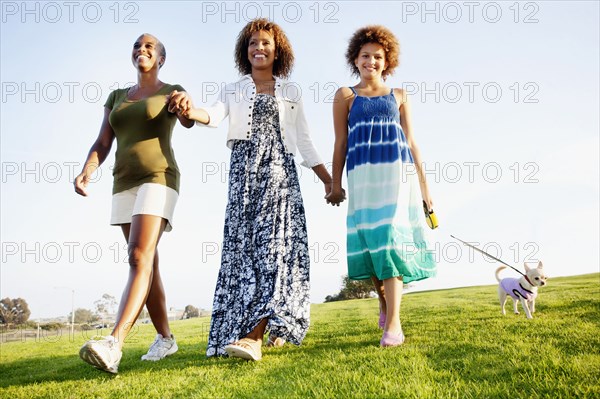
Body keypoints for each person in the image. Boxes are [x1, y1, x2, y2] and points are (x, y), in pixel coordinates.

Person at [168, 18, 337, 361]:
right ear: (244, 52)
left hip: (279, 173)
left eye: (265, 43)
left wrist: (328, 180)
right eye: (253, 44)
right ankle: (263, 325)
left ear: (278, 50)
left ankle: (254, 336)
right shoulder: (234, 89)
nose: (259, 48)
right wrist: (188, 110)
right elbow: (211, 116)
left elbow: (304, 141)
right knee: (245, 252)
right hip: (243, 175)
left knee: (273, 249)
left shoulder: (290, 91)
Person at [74, 33, 194, 373]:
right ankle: (166, 339)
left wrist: (184, 106)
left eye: (149, 47)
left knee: (137, 255)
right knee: (147, 260)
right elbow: (102, 140)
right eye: (137, 46)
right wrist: (87, 171)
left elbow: (186, 121)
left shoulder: (171, 90)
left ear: (161, 59)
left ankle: (114, 343)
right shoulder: (116, 97)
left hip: (159, 177)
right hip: (122, 182)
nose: (142, 50)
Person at [326, 25, 437, 347]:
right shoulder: (345, 96)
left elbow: (412, 142)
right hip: (362, 176)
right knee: (371, 243)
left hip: (396, 173)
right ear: (355, 59)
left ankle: (394, 323)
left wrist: (426, 188)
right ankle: (385, 303)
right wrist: (335, 183)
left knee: (389, 239)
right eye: (365, 56)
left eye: (377, 57)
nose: (371, 61)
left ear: (386, 61)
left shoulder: (399, 95)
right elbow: (340, 142)